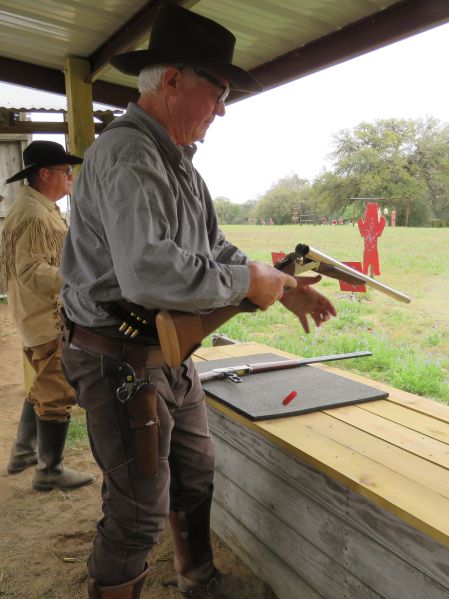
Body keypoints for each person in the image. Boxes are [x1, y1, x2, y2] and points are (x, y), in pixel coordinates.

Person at [59, 5, 336, 598]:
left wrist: (283, 286)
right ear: (172, 79)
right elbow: (147, 272)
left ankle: (198, 581)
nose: (223, 108)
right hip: (117, 358)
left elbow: (216, 248)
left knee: (195, 471)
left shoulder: (180, 164)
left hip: (169, 352)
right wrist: (245, 283)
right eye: (219, 91)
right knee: (137, 511)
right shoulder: (128, 154)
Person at [0, 140, 95, 492]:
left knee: (44, 382)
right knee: (56, 389)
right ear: (44, 174)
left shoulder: (34, 206)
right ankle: (49, 470)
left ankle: (24, 452)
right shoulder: (34, 214)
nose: (70, 176)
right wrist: (80, 278)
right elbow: (31, 271)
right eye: (64, 171)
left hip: (34, 314)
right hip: (46, 318)